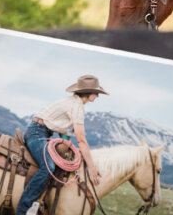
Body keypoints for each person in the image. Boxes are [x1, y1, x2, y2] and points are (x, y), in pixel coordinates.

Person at [16, 75, 107, 215]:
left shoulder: (72, 103)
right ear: (88, 92)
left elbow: (61, 129)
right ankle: (22, 210)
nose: (97, 96)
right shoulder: (77, 107)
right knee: (48, 167)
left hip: (42, 132)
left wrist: (68, 144)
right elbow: (82, 140)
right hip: (37, 132)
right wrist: (92, 167)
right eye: (96, 92)